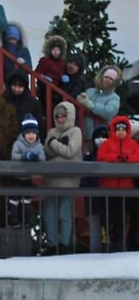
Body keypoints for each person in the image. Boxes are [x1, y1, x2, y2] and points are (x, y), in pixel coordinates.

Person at [42, 101, 82, 254]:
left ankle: (64, 245)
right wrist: (58, 146)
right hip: (51, 179)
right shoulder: (52, 132)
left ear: (70, 116)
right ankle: (52, 245)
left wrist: (54, 145)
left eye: (63, 116)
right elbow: (46, 153)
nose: (60, 119)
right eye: (57, 116)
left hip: (68, 180)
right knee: (48, 214)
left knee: (64, 213)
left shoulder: (75, 131)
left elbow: (71, 152)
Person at [95, 116, 138, 251]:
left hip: (126, 190)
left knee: (121, 218)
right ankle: (109, 243)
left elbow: (137, 156)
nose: (120, 131)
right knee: (107, 218)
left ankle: (118, 245)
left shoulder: (133, 145)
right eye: (118, 129)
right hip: (108, 188)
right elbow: (101, 157)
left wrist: (127, 158)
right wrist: (117, 158)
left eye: (123, 129)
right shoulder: (107, 144)